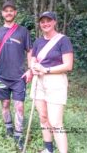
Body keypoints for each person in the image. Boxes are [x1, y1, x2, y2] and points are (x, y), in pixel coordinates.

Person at [0, 0, 33, 151]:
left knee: (19, 106)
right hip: (1, 75)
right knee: (5, 104)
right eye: (6, 11)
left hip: (19, 76)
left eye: (11, 10)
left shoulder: (23, 31)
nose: (8, 13)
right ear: (2, 13)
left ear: (15, 13)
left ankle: (18, 135)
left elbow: (30, 51)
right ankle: (8, 128)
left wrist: (30, 69)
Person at [30, 11, 74, 153]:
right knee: (43, 117)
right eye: (42, 21)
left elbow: (68, 65)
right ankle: (48, 149)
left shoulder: (63, 40)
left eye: (49, 20)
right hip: (39, 81)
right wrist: (33, 66)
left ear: (55, 22)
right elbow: (33, 58)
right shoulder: (38, 41)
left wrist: (46, 69)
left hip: (55, 81)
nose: (45, 24)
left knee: (56, 122)